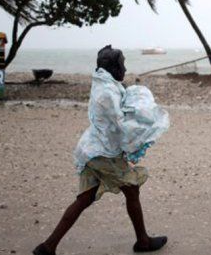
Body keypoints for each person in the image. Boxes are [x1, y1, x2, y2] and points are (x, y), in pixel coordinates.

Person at [33, 45, 169, 255]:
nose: (124, 68)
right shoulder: (106, 92)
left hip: (91, 150)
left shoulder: (105, 84)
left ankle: (47, 246)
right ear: (112, 67)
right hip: (102, 153)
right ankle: (142, 241)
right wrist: (146, 123)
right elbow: (120, 124)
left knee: (84, 199)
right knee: (131, 189)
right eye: (122, 64)